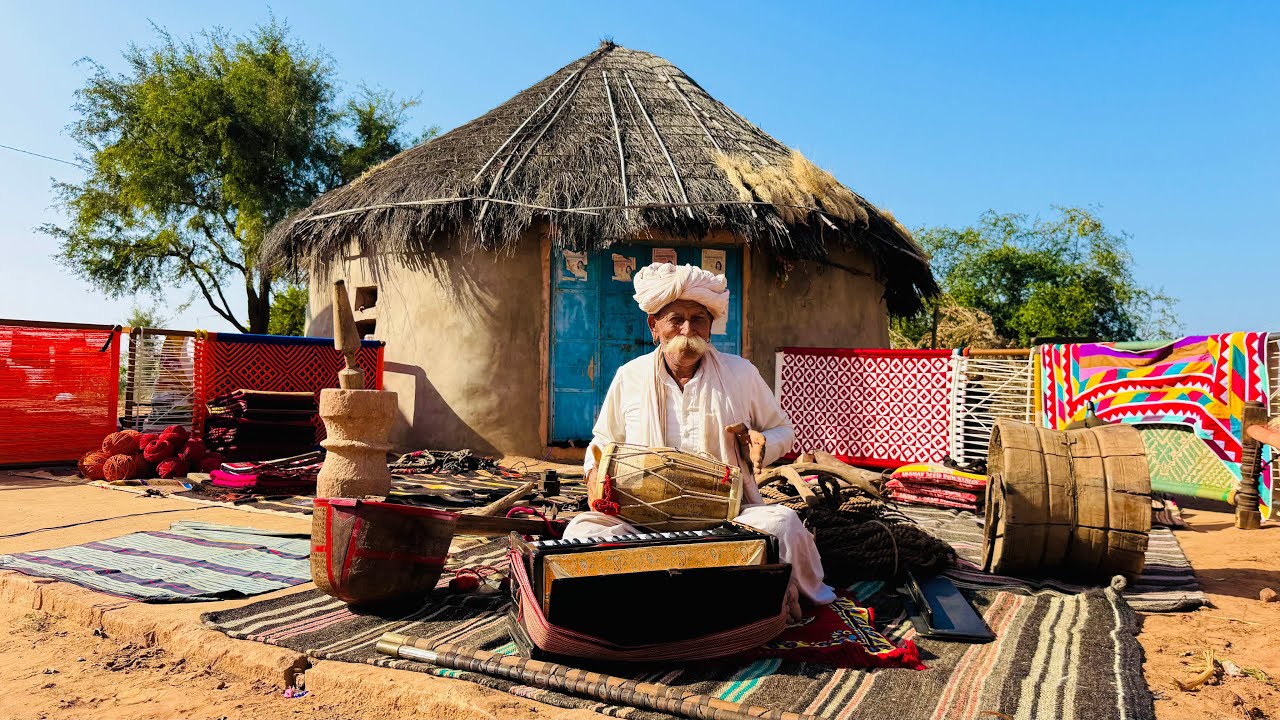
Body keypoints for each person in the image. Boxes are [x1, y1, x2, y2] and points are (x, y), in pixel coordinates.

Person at [563, 262, 835, 622]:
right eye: (676, 319)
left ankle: (789, 600)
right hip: (643, 519)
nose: (687, 329)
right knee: (579, 531)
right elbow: (603, 440)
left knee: (783, 524)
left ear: (710, 328)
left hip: (730, 516)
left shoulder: (741, 373)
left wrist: (761, 443)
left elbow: (783, 430)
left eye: (699, 319)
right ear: (654, 325)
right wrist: (594, 472)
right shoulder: (629, 377)